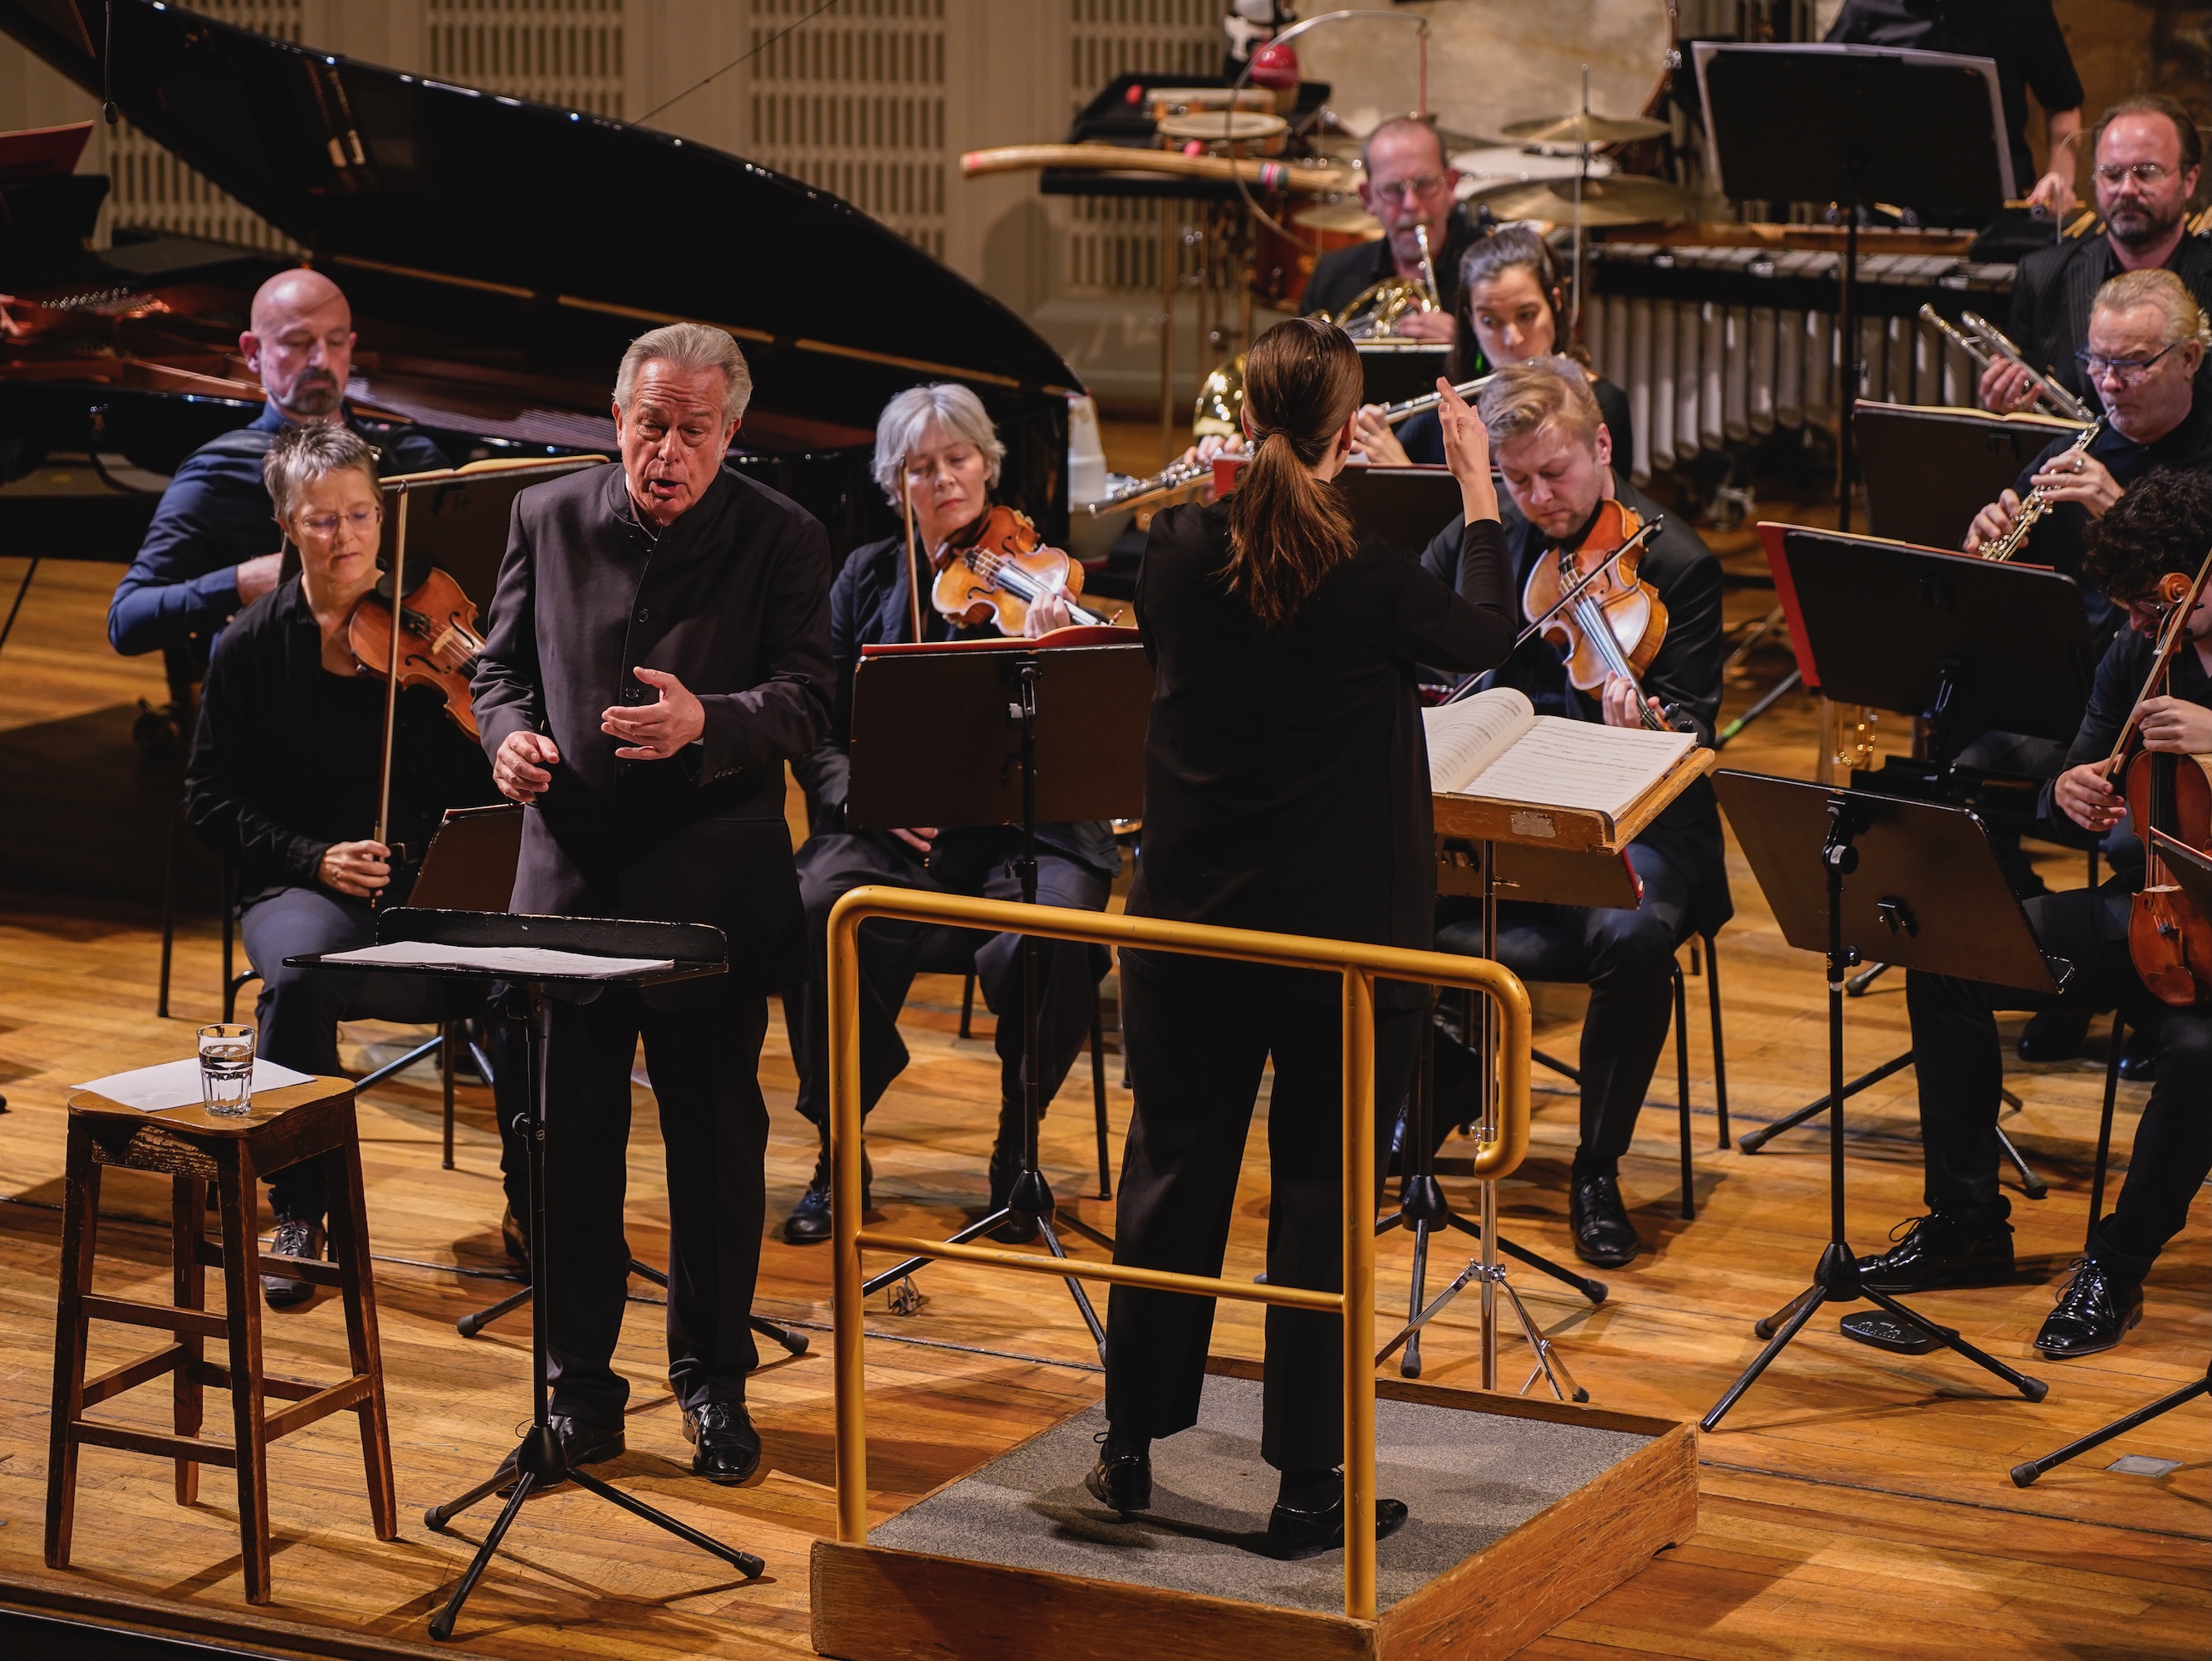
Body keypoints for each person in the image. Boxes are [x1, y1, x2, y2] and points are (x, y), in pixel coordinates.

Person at [1086, 319, 1515, 1557]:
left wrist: (1283, 476)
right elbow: (1482, 641)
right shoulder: (1373, 575)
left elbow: (1238, 587)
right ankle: (1307, 1487)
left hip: (1182, 936)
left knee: (1169, 1180)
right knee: (1320, 1203)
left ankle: (1128, 1443)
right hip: (1334, 949)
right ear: (1343, 432)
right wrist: (1474, 489)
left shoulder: (1167, 550)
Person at [472, 321, 832, 1486]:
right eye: (647, 425)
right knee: (570, 1146)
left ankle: (713, 1384)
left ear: (729, 433)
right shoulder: (545, 514)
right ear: (614, 417)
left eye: (691, 430)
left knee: (714, 1145)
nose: (664, 451)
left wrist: (708, 722)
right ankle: (579, 1392)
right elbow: (498, 665)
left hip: (710, 894)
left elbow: (811, 702)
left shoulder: (783, 536)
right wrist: (506, 738)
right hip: (569, 885)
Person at [1861, 467, 2212, 1360]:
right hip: (2155, 910)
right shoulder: (2139, 650)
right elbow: (2077, 780)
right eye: (2130, 608)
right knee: (1949, 952)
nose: (2138, 625)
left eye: (2151, 605)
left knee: (2200, 1052)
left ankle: (2115, 1266)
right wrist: (2072, 791)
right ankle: (1966, 1222)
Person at [779, 383, 1117, 1247]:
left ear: (987, 464)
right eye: (920, 468)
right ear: (896, 486)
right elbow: (813, 716)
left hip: (1024, 831)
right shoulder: (862, 575)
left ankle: (1019, 1136)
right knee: (814, 905)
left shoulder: (1038, 570)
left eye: (957, 459)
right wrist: (865, 798)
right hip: (898, 835)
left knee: (1062, 927)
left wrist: (1055, 648)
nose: (942, 480)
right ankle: (838, 1144)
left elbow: (1095, 716)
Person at [1418, 360, 1730, 1268]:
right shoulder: (1485, 537)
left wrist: (1649, 726)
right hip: (1494, 829)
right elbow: (1416, 649)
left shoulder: (1675, 562)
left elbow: (1696, 727)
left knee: (1633, 944)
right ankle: (1431, 1096)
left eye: (1552, 473)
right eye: (1514, 479)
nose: (1536, 497)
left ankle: (1595, 1166)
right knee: (1381, 894)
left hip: (1628, 828)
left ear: (1600, 446)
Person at [184, 423, 498, 1307]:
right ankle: (301, 1204)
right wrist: (311, 857)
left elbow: (493, 754)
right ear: (287, 524)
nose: (348, 537)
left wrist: (484, 699)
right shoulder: (250, 647)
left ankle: (533, 1202)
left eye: (362, 513)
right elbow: (206, 800)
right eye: (323, 520)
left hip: (434, 878)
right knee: (296, 974)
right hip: (303, 886)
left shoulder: (433, 623)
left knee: (525, 975)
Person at [109, 269, 448, 708]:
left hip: (415, 701)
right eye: (297, 342)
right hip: (284, 712)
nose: (321, 360)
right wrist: (239, 582)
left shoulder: (413, 457)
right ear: (252, 352)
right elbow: (127, 619)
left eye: (336, 341)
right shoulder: (219, 471)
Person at [1966, 271, 2212, 615]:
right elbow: (2008, 596)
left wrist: (2121, 514)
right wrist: (1984, 555)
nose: (2109, 384)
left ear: (2189, 358)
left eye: (2131, 364)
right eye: (2098, 361)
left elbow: (2199, 604)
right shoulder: (2066, 457)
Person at [1983, 97, 2210, 413]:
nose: (2127, 189)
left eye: (2147, 172)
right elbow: (2024, 428)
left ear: (2189, 180)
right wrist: (2004, 411)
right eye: (2112, 174)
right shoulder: (2042, 276)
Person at [1352, 225, 1635, 468]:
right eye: (1490, 321)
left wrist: (1408, 481)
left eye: (1526, 315)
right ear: (1471, 321)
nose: (1513, 339)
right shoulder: (1435, 424)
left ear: (1555, 303)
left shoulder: (1601, 408)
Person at [1826, 0, 2082, 221]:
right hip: (1886, 216)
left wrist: (2060, 176)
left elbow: (2062, 106)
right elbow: (1821, 97)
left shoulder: (2019, 6)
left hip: (1994, 217)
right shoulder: (1866, 8)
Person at [1300, 116, 1469, 341]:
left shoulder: (1494, 273)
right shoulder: (1331, 277)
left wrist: (1465, 347)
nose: (1411, 204)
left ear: (1451, 185)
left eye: (1425, 184)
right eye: (1392, 189)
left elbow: (1522, 369)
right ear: (1368, 198)